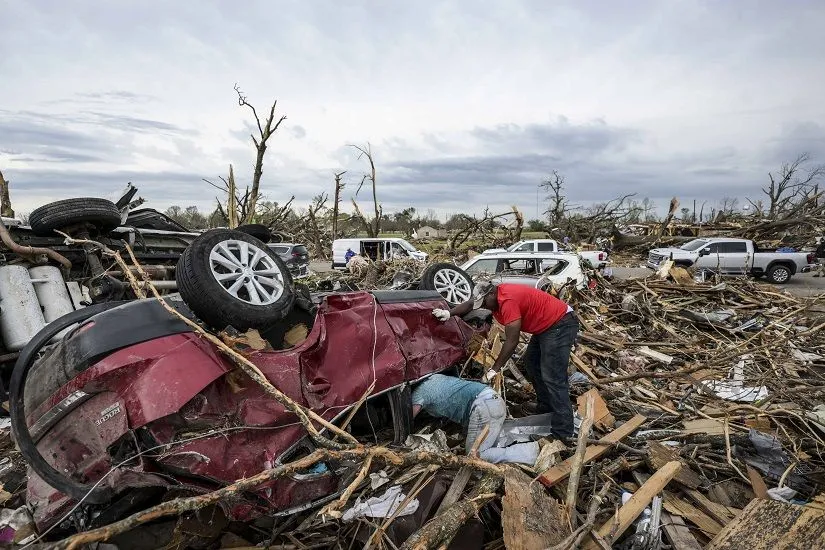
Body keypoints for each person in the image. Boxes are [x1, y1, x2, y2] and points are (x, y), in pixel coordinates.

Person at [433, 282, 579, 440]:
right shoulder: (493, 295)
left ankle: (563, 432)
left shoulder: (508, 301)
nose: (484, 307)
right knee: (531, 363)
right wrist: (449, 313)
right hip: (545, 326)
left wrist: (494, 369)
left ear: (491, 295)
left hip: (560, 323)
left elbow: (512, 341)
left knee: (553, 376)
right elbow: (470, 304)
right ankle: (546, 406)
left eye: (484, 303)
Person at [411, 373, 539, 464]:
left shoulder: (417, 394)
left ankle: (531, 453)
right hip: (494, 399)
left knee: (475, 455)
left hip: (482, 407)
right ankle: (529, 444)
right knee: (492, 442)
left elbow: (408, 419)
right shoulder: (435, 377)